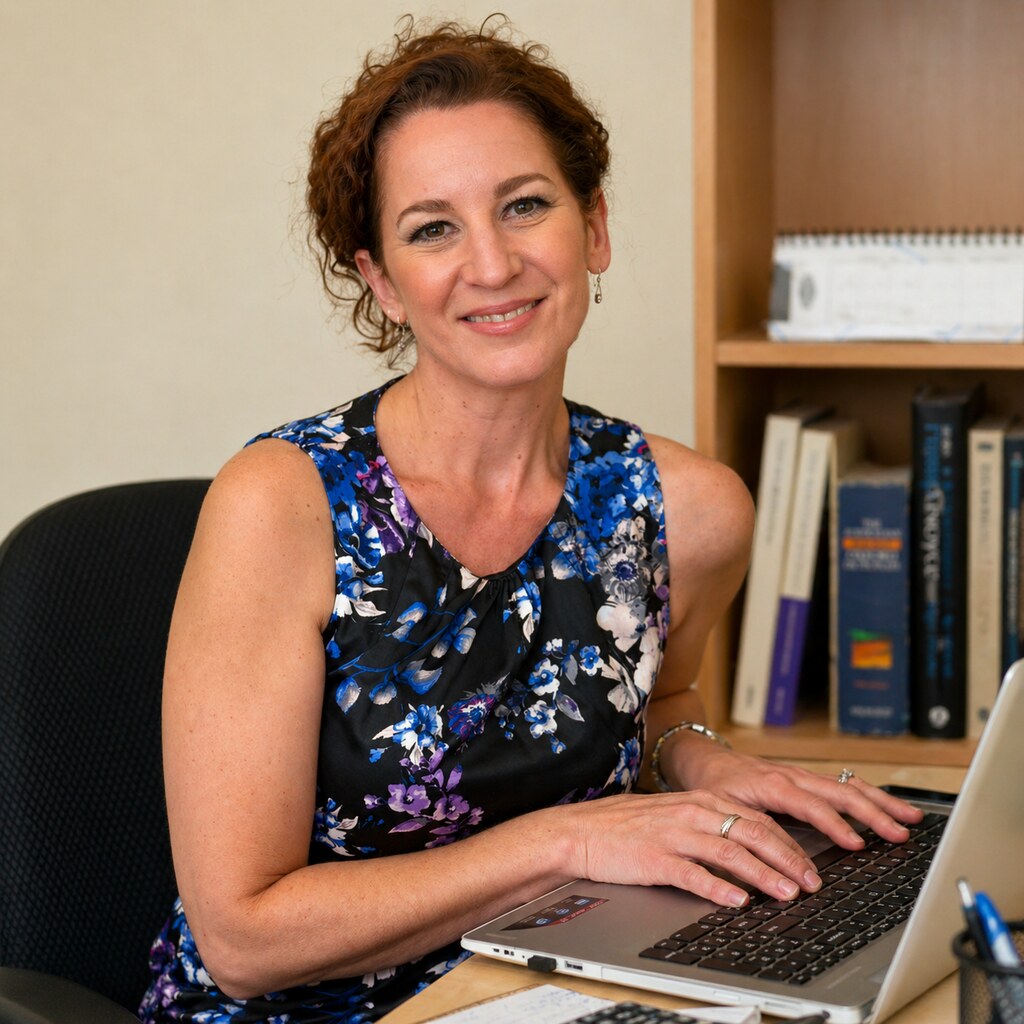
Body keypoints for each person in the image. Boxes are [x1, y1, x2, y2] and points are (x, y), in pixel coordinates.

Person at [140, 16, 921, 1023]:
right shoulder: (280, 507)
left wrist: (705, 758)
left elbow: (661, 699)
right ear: (380, 277)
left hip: (568, 983)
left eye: (524, 205)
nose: (494, 262)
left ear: (592, 227)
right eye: (432, 228)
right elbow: (242, 937)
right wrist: (565, 842)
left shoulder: (686, 510)